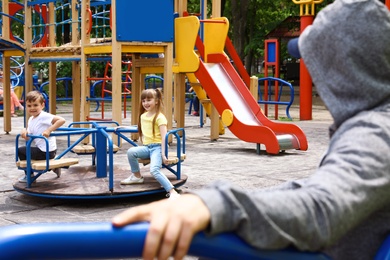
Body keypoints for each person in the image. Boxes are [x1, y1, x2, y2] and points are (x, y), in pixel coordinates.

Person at [112, 1, 390, 259]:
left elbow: (321, 207)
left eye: (314, 62)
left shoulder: (373, 133)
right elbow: (323, 185)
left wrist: (215, 205)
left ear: (338, 70)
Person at [119, 88, 180, 200]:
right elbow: (139, 128)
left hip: (158, 148)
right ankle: (137, 176)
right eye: (143, 101)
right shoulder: (143, 116)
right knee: (131, 152)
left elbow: (164, 137)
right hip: (147, 148)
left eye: (149, 100)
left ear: (156, 101)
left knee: (154, 170)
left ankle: (172, 191)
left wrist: (163, 154)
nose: (145, 103)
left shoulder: (160, 118)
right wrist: (124, 127)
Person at [18, 90, 66, 182]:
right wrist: (24, 131)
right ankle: (54, 168)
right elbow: (28, 136)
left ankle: (30, 175)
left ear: (42, 105)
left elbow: (62, 120)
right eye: (29, 106)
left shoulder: (43, 116)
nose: (32, 108)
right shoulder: (31, 119)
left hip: (47, 151)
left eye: (35, 105)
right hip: (42, 150)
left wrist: (48, 130)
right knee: (24, 150)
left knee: (21, 150)